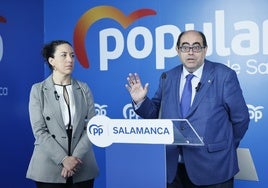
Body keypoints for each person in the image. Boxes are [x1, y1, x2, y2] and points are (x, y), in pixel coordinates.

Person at [125, 30, 250, 188]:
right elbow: (155, 116)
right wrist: (140, 100)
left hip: (214, 168)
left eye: (196, 47)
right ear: (177, 50)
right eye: (185, 47)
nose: (190, 52)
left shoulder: (224, 75)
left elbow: (241, 119)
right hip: (174, 169)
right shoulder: (167, 77)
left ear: (205, 50)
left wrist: (225, 147)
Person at [26, 40, 99, 188]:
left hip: (82, 164)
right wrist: (63, 159)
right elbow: (39, 130)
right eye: (64, 55)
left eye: (72, 55)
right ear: (51, 61)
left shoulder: (83, 88)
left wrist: (74, 158)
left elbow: (93, 126)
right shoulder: (38, 90)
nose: (70, 60)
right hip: (49, 166)